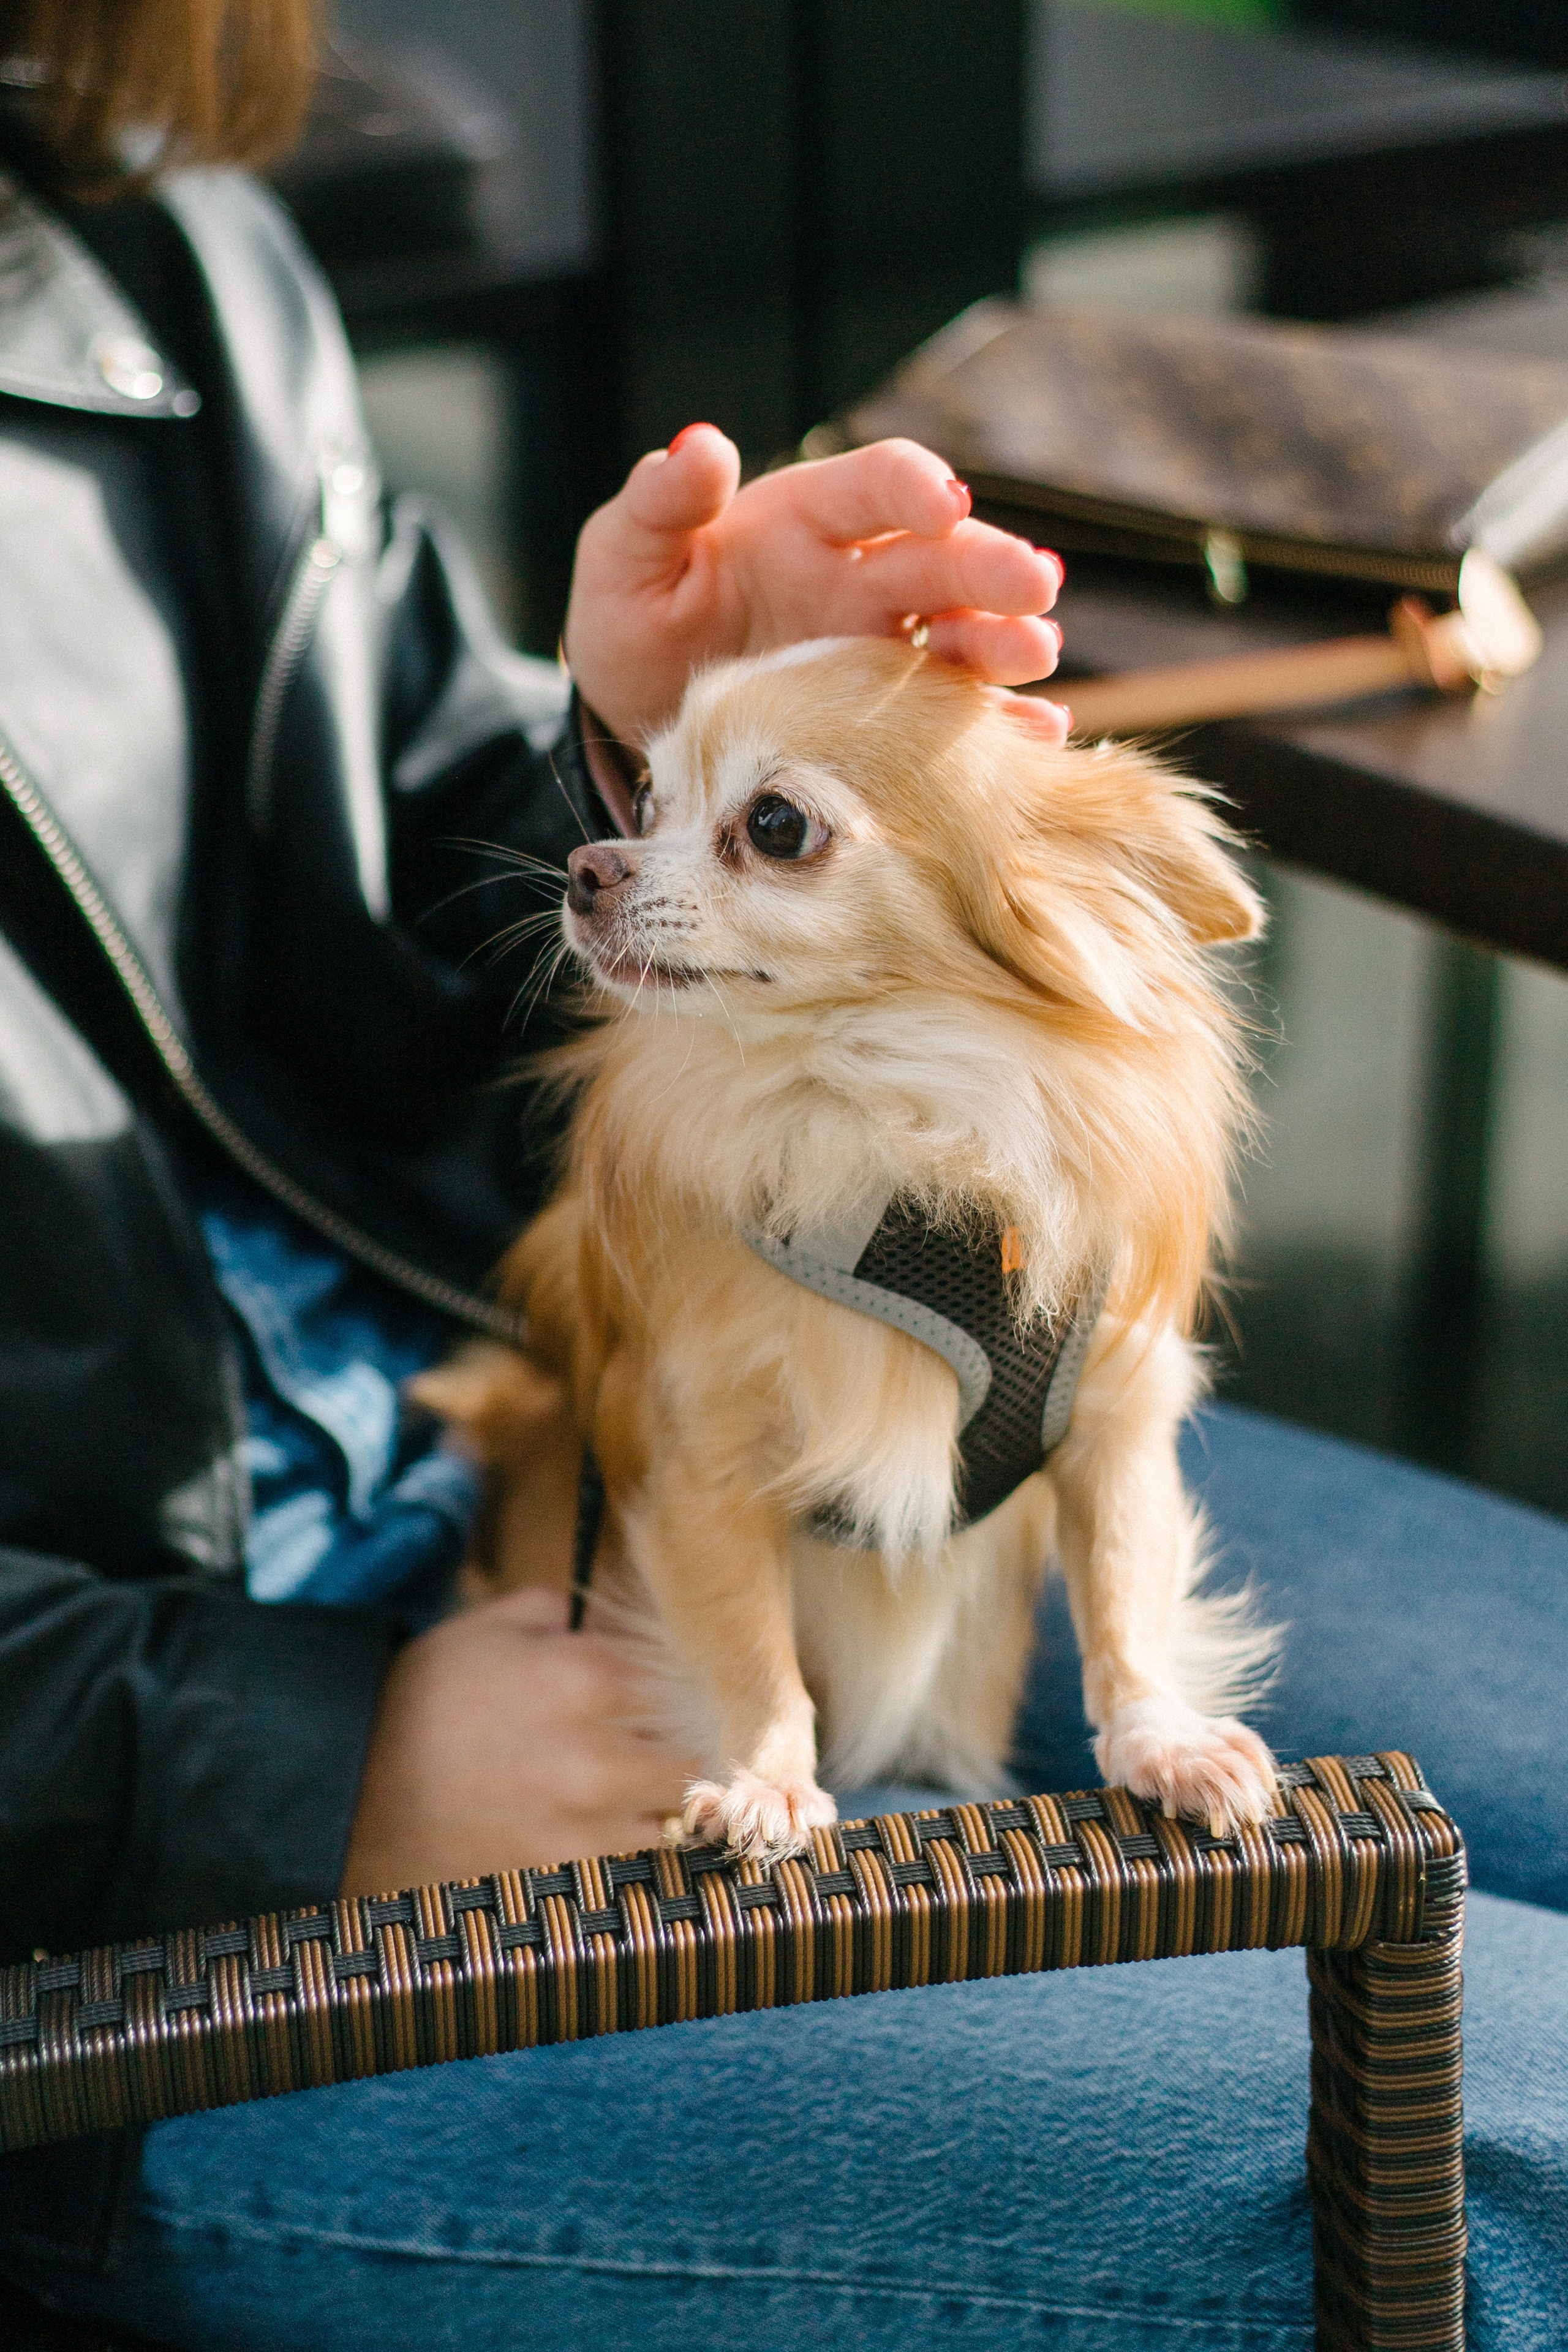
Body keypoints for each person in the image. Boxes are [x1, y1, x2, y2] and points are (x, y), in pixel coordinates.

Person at [0, 7, 1561, 2348]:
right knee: (1513, 2164)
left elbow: (387, 947)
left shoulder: (137, 236)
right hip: (164, 1866)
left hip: (589, 1396)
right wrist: (254, 1771)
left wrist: (642, 745)